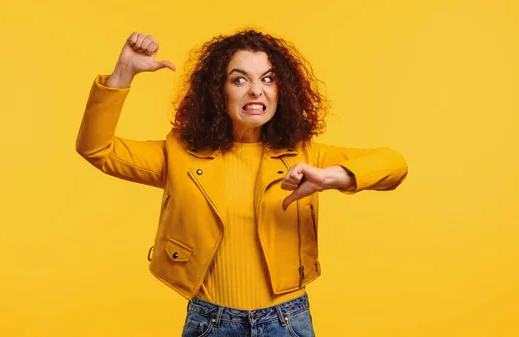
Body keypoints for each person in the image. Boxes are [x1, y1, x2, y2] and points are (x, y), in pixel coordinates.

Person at [76, 29, 408, 337]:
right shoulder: (179, 155)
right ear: (217, 92)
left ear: (283, 90)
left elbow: (394, 164)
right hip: (211, 322)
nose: (256, 90)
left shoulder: (305, 155)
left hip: (287, 322)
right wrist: (123, 74)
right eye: (239, 79)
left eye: (268, 79)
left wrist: (333, 177)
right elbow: (97, 148)